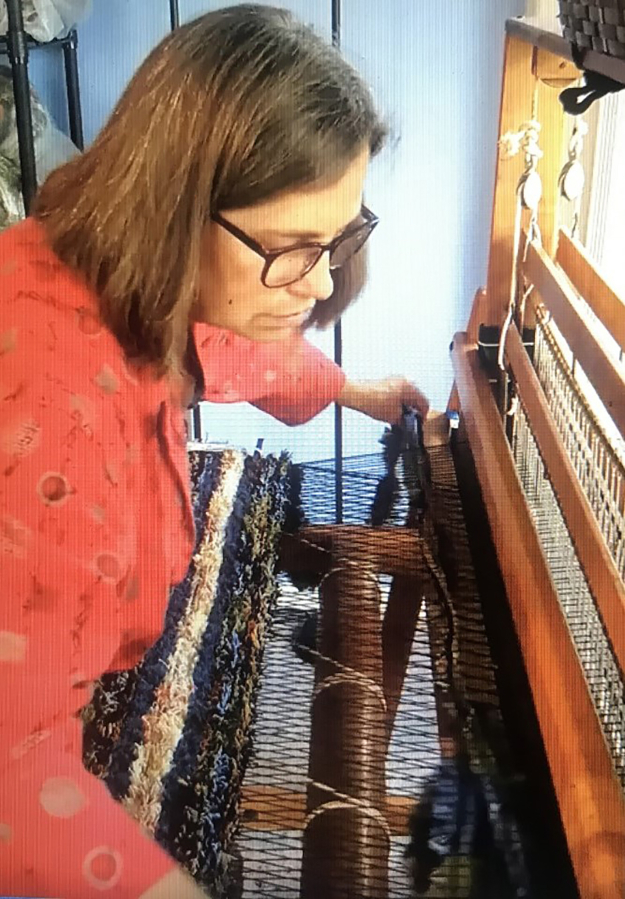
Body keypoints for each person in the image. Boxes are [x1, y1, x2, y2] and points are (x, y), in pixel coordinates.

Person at [0, 4, 429, 897]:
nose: (316, 284)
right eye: (290, 250)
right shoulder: (57, 419)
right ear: (176, 207)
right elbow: (10, 767)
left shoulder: (102, 267)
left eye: (339, 238)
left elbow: (226, 346)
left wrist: (354, 389)